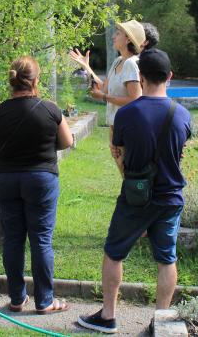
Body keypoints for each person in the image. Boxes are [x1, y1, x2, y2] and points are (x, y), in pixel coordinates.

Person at [78, 49, 191, 334]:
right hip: (170, 197)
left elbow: (119, 153)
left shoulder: (127, 113)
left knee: (114, 253)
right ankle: (161, 322)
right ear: (170, 77)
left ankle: (108, 316)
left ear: (140, 77)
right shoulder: (182, 115)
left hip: (135, 197)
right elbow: (180, 153)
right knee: (167, 258)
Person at [0, 56, 74, 314]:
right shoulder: (50, 109)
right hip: (40, 179)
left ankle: (17, 299)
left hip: (6, 180)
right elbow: (66, 141)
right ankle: (45, 301)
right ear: (35, 81)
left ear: (12, 81)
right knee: (41, 239)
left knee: (13, 239)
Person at [70, 20, 145, 170]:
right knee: (124, 170)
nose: (113, 36)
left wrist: (103, 98)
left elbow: (135, 100)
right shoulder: (118, 61)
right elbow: (104, 87)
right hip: (115, 126)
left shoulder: (131, 63)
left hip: (128, 127)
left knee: (129, 172)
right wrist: (87, 67)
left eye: (118, 33)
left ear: (129, 39)